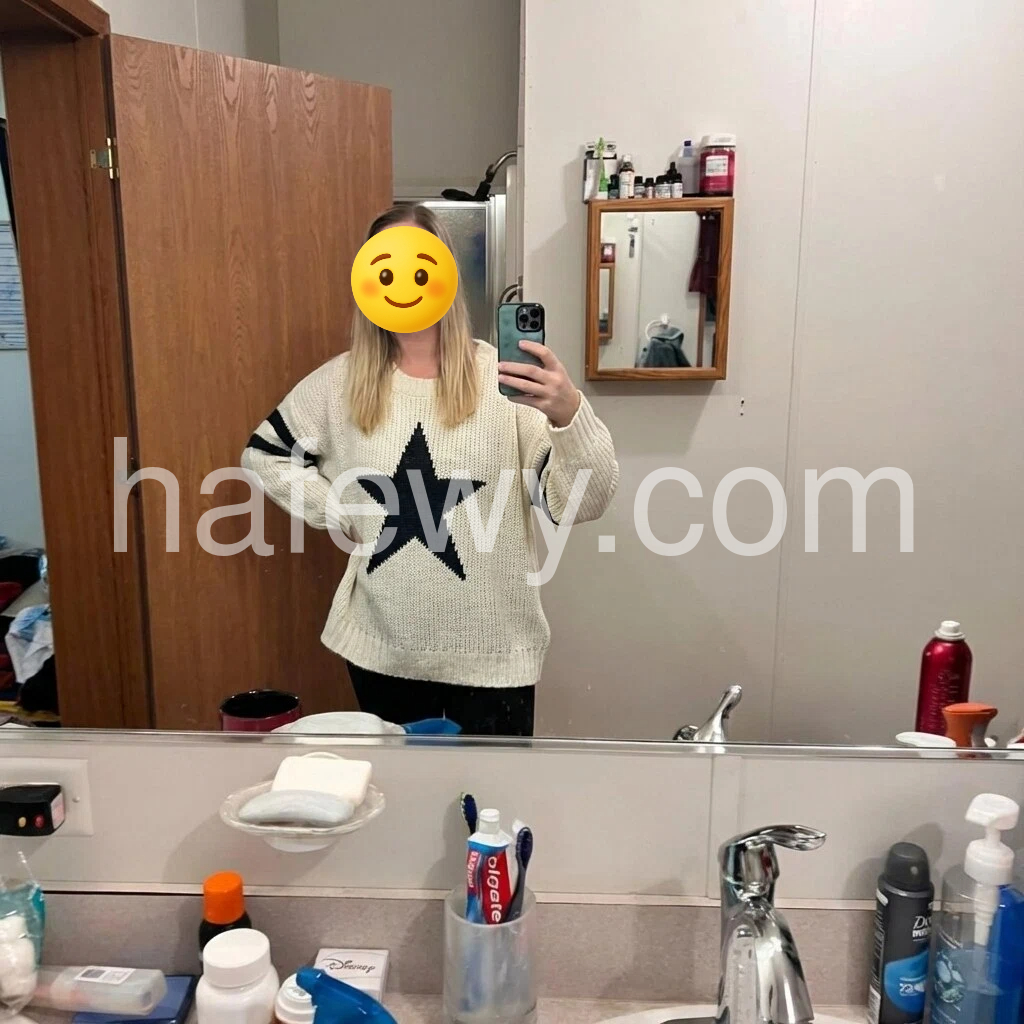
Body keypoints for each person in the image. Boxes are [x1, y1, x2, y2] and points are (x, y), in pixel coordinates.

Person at [242, 204, 617, 736]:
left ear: (445, 273)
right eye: (387, 270)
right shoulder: (339, 384)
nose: (404, 284)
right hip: (382, 651)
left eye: (419, 268)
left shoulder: (504, 380)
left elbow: (583, 502)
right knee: (399, 788)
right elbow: (264, 453)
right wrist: (339, 510)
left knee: (492, 790)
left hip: (495, 655)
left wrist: (569, 413)